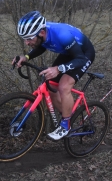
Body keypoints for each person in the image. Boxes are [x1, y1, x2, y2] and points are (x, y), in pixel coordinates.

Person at [12, 11, 95, 140]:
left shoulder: (62, 35)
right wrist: (26, 57)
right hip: (68, 52)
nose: (26, 43)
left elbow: (80, 59)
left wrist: (58, 69)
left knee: (63, 86)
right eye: (25, 39)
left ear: (42, 33)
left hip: (83, 55)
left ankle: (65, 125)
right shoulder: (42, 34)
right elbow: (41, 46)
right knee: (50, 86)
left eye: (29, 38)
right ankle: (68, 116)